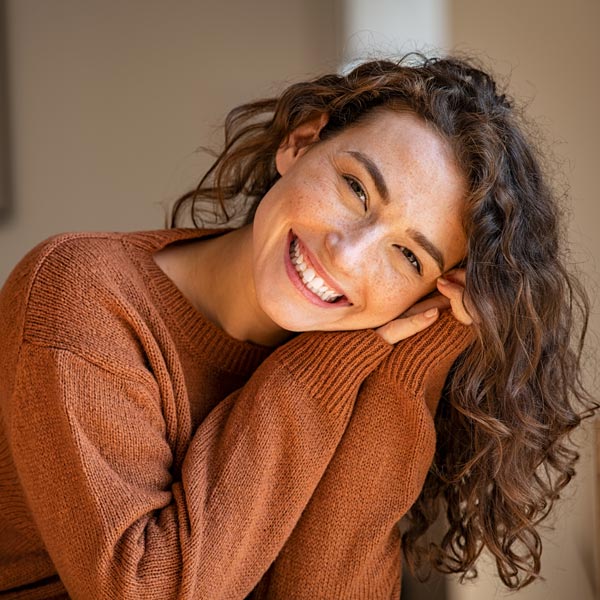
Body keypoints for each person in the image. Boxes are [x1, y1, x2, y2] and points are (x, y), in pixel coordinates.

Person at [0, 54, 593, 599]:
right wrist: (316, 374)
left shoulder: (361, 359)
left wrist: (410, 366)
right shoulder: (81, 292)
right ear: (301, 141)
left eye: (409, 257)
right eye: (356, 188)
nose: (346, 253)